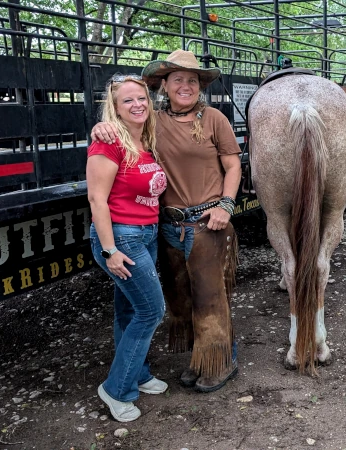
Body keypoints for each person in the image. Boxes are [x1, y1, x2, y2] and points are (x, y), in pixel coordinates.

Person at [91, 50, 242, 393]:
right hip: (167, 225)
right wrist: (102, 125)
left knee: (210, 296)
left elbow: (233, 166)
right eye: (178, 80)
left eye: (192, 80)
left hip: (207, 222)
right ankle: (199, 360)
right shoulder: (153, 121)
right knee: (181, 298)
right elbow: (124, 124)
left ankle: (221, 362)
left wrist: (227, 206)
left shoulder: (215, 118)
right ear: (164, 85)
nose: (185, 86)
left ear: (200, 86)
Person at [86, 74, 168, 422]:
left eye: (142, 99)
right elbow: (96, 199)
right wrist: (109, 250)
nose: (137, 105)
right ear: (115, 109)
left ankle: (138, 372)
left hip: (145, 234)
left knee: (130, 311)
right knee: (152, 310)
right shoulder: (108, 144)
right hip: (122, 238)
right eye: (128, 101)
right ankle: (117, 388)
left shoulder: (144, 140)